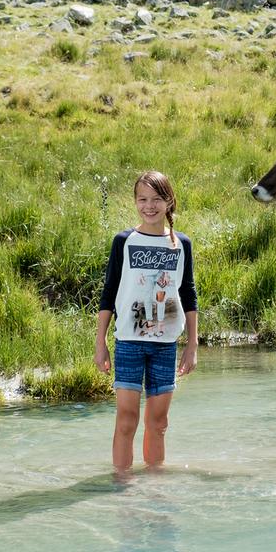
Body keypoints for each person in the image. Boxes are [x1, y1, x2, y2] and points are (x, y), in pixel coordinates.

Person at [95, 171, 198, 472]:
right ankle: (122, 484)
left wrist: (192, 345)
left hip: (165, 344)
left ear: (169, 202)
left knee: (159, 422)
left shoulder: (181, 245)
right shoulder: (124, 241)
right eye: (142, 199)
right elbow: (109, 292)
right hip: (128, 341)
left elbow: (188, 294)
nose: (149, 206)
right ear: (135, 202)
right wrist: (100, 342)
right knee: (127, 419)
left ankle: (153, 484)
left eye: (157, 199)